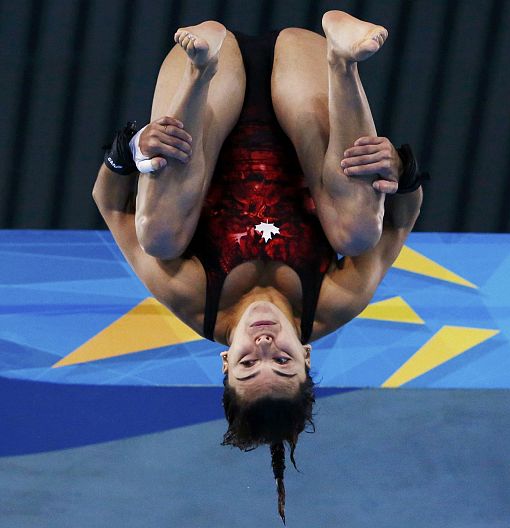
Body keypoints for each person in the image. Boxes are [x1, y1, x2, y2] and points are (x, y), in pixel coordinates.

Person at [93, 11, 424, 522]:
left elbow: (111, 204)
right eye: (283, 363)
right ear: (307, 357)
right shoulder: (336, 300)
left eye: (248, 364)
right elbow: (400, 219)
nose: (265, 347)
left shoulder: (191, 296)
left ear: (224, 365)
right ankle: (345, 62)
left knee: (157, 235)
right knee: (361, 230)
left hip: (209, 81)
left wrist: (132, 151)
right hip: (304, 78)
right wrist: (397, 169)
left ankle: (196, 77)